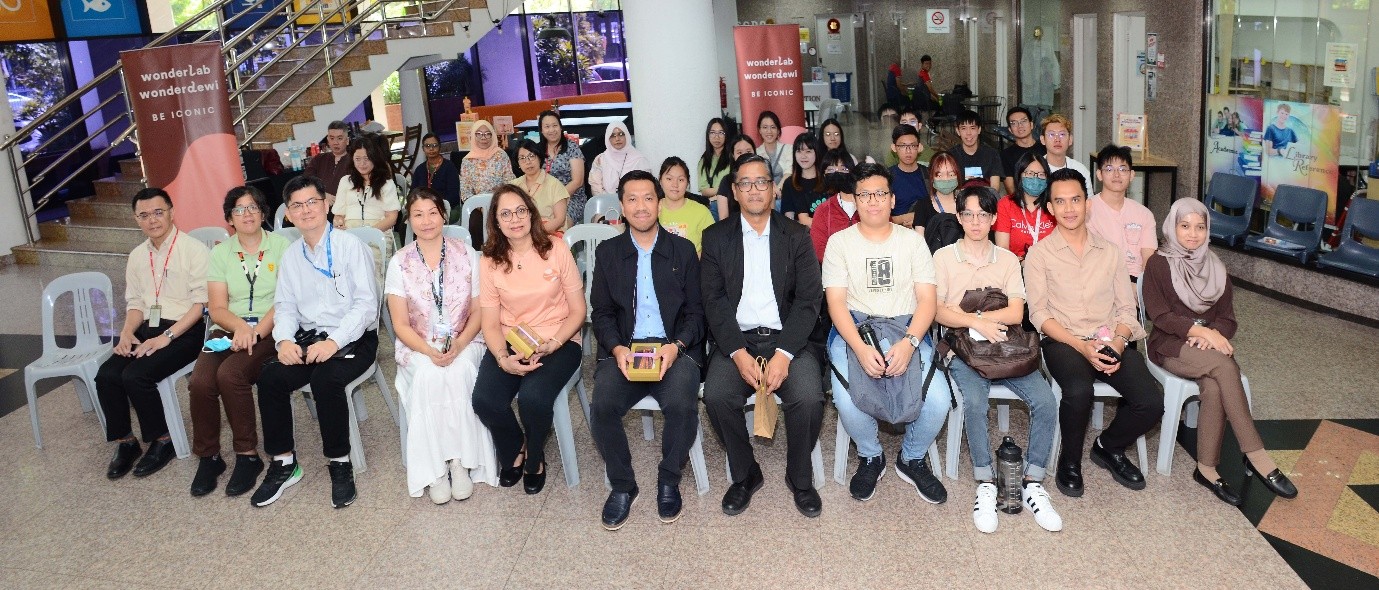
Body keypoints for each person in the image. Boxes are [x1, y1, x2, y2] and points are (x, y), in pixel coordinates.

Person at [1142, 199, 1297, 505]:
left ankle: (1207, 468)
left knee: (1213, 387)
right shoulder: (1158, 263)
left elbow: (1228, 318)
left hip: (1208, 346)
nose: (1192, 234)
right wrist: (1200, 331)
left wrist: (1213, 335)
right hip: (1170, 344)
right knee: (1226, 368)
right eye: (1184, 226)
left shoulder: (1215, 266)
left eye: (1200, 227)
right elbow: (1159, 315)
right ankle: (1256, 454)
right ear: (1172, 227)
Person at [1024, 168, 1162, 498]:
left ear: (1088, 204)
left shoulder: (1111, 252)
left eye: (1076, 199)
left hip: (1109, 336)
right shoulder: (1039, 255)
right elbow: (1039, 314)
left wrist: (1116, 343)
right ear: (1050, 208)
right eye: (1061, 201)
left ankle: (1108, 446)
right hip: (1063, 340)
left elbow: (1127, 309)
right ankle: (1069, 462)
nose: (1069, 208)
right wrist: (1081, 346)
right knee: (1078, 390)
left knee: (1151, 401)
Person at [700, 155, 826, 518]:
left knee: (808, 395)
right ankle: (745, 474)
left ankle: (799, 477)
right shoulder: (715, 237)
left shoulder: (797, 235)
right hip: (736, 339)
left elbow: (808, 300)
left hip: (788, 338)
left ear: (773, 189)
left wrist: (785, 354)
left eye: (761, 182)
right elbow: (714, 301)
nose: (754, 190)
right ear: (735, 191)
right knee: (719, 395)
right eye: (745, 183)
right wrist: (737, 353)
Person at [933, 185, 1062, 533]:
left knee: (1046, 401)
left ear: (993, 219)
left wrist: (989, 325)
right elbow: (939, 311)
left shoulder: (1005, 259)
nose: (976, 222)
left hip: (1005, 346)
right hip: (964, 347)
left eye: (983, 215)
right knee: (974, 402)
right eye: (969, 214)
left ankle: (1033, 480)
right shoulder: (944, 257)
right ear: (959, 218)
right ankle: (986, 481)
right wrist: (978, 322)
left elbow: (1017, 310)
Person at [823, 163, 951, 505]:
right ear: (856, 200)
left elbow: (927, 300)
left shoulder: (912, 242)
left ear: (893, 199)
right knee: (848, 401)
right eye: (864, 195)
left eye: (880, 193)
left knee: (938, 401)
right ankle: (870, 455)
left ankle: (911, 457)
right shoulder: (839, 243)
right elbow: (835, 303)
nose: (873, 201)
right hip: (854, 327)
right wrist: (860, 349)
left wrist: (910, 343)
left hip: (908, 327)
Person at [253, 175, 380, 509]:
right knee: (270, 377)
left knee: (326, 379)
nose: (306, 210)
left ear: (327, 205)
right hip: (310, 339)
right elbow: (285, 307)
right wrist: (282, 341)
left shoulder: (351, 246)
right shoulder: (292, 255)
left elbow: (367, 308)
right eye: (297, 205)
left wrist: (334, 342)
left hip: (354, 337)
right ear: (289, 215)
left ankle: (339, 463)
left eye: (312, 202)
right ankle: (284, 463)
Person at [589, 170, 705, 530]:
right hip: (626, 348)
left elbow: (696, 313)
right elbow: (602, 313)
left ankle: (669, 479)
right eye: (633, 199)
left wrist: (676, 347)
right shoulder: (608, 253)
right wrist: (617, 348)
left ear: (659, 203)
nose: (641, 207)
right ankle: (623, 484)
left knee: (683, 405)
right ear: (621, 206)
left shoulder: (681, 250)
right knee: (602, 406)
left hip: (673, 348)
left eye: (648, 198)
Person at [471, 185, 586, 495]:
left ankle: (534, 459)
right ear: (495, 221)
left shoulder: (556, 248)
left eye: (521, 210)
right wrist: (501, 357)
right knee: (485, 400)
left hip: (558, 339)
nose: (515, 219)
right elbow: (490, 322)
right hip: (511, 339)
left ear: (532, 213)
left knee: (532, 398)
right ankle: (514, 446)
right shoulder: (489, 261)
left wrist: (555, 343)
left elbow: (578, 311)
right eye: (505, 213)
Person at [386, 188, 497, 504]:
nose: (426, 221)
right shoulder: (400, 262)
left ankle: (460, 462)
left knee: (460, 372)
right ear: (409, 219)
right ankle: (435, 468)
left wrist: (459, 344)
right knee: (429, 376)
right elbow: (400, 325)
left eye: (432, 212)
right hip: (418, 344)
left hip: (466, 338)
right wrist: (428, 350)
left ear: (444, 215)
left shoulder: (466, 254)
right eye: (418, 214)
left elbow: (479, 311)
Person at [99, 188, 209, 480]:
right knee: (107, 375)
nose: (152, 220)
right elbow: (135, 303)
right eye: (144, 215)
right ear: (136, 220)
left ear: (172, 211)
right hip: (148, 326)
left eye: (158, 212)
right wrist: (126, 333)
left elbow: (201, 304)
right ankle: (126, 442)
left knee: (136, 375)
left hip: (186, 330)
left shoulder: (193, 249)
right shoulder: (137, 256)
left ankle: (163, 440)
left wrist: (166, 338)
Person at [188, 186, 289, 497]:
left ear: (263, 212)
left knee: (230, 374)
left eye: (253, 207)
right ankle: (210, 457)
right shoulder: (220, 253)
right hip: (228, 328)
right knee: (201, 381)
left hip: (271, 328)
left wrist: (255, 331)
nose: (247, 214)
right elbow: (217, 308)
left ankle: (247, 455)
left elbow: (286, 299)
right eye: (239, 209)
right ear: (229, 217)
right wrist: (239, 328)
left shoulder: (282, 246)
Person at [1088, 145, 1157, 281]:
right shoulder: (1087, 210)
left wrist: (1142, 288)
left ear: (1131, 175)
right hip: (1102, 281)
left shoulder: (1144, 214)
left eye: (1123, 169)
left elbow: (1148, 259)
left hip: (1137, 280)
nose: (1117, 175)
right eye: (1109, 169)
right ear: (1099, 175)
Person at [994, 151, 1055, 260]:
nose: (1036, 179)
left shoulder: (1053, 205)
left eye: (1041, 174)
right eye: (1030, 174)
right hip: (1016, 268)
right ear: (1019, 175)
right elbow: (1002, 249)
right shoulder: (1006, 204)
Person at [331, 138, 400, 231]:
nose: (362, 163)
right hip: (350, 232)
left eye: (366, 158)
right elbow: (338, 215)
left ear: (374, 159)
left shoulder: (386, 183)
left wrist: (369, 233)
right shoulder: (345, 181)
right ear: (352, 160)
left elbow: (392, 218)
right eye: (357, 159)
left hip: (378, 232)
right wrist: (339, 224)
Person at [509, 139, 570, 233]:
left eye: (531, 156)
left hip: (548, 234)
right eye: (522, 158)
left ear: (539, 158)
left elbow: (560, 220)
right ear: (518, 164)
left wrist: (536, 233)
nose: (528, 161)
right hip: (519, 234)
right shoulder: (513, 186)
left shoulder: (554, 185)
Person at [537, 110, 588, 224]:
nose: (551, 130)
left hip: (572, 198)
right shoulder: (538, 150)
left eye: (555, 125)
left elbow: (578, 181)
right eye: (547, 126)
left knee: (560, 223)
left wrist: (557, 199)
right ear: (541, 130)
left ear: (560, 127)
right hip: (545, 198)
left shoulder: (572, 147)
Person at [808, 150, 859, 261]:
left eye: (843, 169)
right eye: (831, 169)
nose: (837, 173)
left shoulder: (868, 203)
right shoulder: (823, 210)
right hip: (835, 270)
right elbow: (818, 248)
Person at [657, 157, 715, 252]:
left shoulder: (701, 212)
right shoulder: (651, 210)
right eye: (669, 179)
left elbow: (713, 248)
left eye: (681, 180)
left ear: (687, 183)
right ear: (660, 181)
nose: (675, 184)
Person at [457, 120, 515, 210]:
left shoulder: (501, 155)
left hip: (501, 202)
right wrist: (480, 207)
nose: (483, 138)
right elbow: (465, 191)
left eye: (488, 134)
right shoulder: (467, 161)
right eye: (479, 134)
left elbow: (510, 181)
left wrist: (499, 202)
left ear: (493, 136)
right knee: (474, 223)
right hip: (477, 205)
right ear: (472, 136)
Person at [588, 121, 651, 196]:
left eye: (621, 134)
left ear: (627, 135)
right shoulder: (600, 160)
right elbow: (595, 185)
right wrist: (608, 201)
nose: (617, 138)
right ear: (608, 138)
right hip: (607, 204)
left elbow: (646, 185)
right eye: (612, 135)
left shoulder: (639, 160)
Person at [1038, 114, 1093, 197]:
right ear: (1042, 140)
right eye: (1051, 135)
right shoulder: (1035, 169)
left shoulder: (1080, 170)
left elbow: (1088, 202)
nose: (1057, 140)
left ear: (1070, 140)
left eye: (1062, 134)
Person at [910, 152, 961, 238]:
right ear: (932, 178)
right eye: (939, 175)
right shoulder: (923, 205)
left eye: (951, 174)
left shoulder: (967, 203)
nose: (946, 179)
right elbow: (920, 242)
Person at [949, 110, 1002, 189]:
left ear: (979, 130)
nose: (968, 133)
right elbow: (951, 187)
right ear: (958, 131)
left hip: (986, 197)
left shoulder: (992, 154)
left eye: (972, 128)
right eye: (963, 128)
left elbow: (995, 187)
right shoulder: (951, 156)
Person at [888, 124, 929, 227]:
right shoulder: (887, 177)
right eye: (902, 146)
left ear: (919, 147)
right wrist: (905, 219)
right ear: (894, 148)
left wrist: (920, 220)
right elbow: (879, 217)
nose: (908, 151)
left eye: (912, 145)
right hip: (896, 234)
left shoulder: (929, 175)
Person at [305, 121, 353, 208]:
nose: (335, 142)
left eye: (339, 138)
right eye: (332, 138)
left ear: (347, 141)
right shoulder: (318, 159)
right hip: (319, 207)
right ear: (328, 140)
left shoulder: (354, 161)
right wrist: (322, 194)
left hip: (346, 208)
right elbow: (306, 181)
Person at [780, 132, 823, 225]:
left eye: (808, 151)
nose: (803, 156)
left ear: (816, 153)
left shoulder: (827, 180)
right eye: (799, 151)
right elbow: (789, 220)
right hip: (802, 236)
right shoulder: (789, 183)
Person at [1001, 107, 1045, 195]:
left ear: (1031, 125)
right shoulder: (1005, 155)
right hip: (1020, 202)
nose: (1020, 126)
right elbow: (1011, 189)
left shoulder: (1045, 148)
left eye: (1023, 121)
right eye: (1014, 123)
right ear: (1010, 130)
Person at [713, 135, 757, 220]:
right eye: (739, 152)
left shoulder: (763, 179)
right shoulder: (726, 181)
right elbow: (724, 220)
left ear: (754, 152)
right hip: (734, 230)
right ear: (733, 155)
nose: (744, 156)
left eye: (748, 151)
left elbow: (771, 214)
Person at [412, 132, 461, 208]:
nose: (431, 149)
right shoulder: (419, 170)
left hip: (446, 207)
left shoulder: (449, 167)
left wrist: (436, 206)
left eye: (434, 145)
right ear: (423, 149)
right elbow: (413, 193)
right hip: (423, 208)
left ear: (439, 147)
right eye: (427, 146)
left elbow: (454, 196)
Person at [754, 110, 793, 186]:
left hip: (785, 192)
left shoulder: (789, 149)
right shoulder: (756, 153)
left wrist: (777, 190)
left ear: (778, 130)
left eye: (773, 127)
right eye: (765, 127)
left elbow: (789, 172)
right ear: (760, 130)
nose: (769, 131)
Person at [697, 118, 732, 201]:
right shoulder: (704, 160)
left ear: (726, 135)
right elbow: (704, 190)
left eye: (721, 133)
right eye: (712, 133)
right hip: (712, 204)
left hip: (730, 202)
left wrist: (717, 193)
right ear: (708, 135)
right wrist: (723, 189)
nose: (717, 137)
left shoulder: (732, 156)